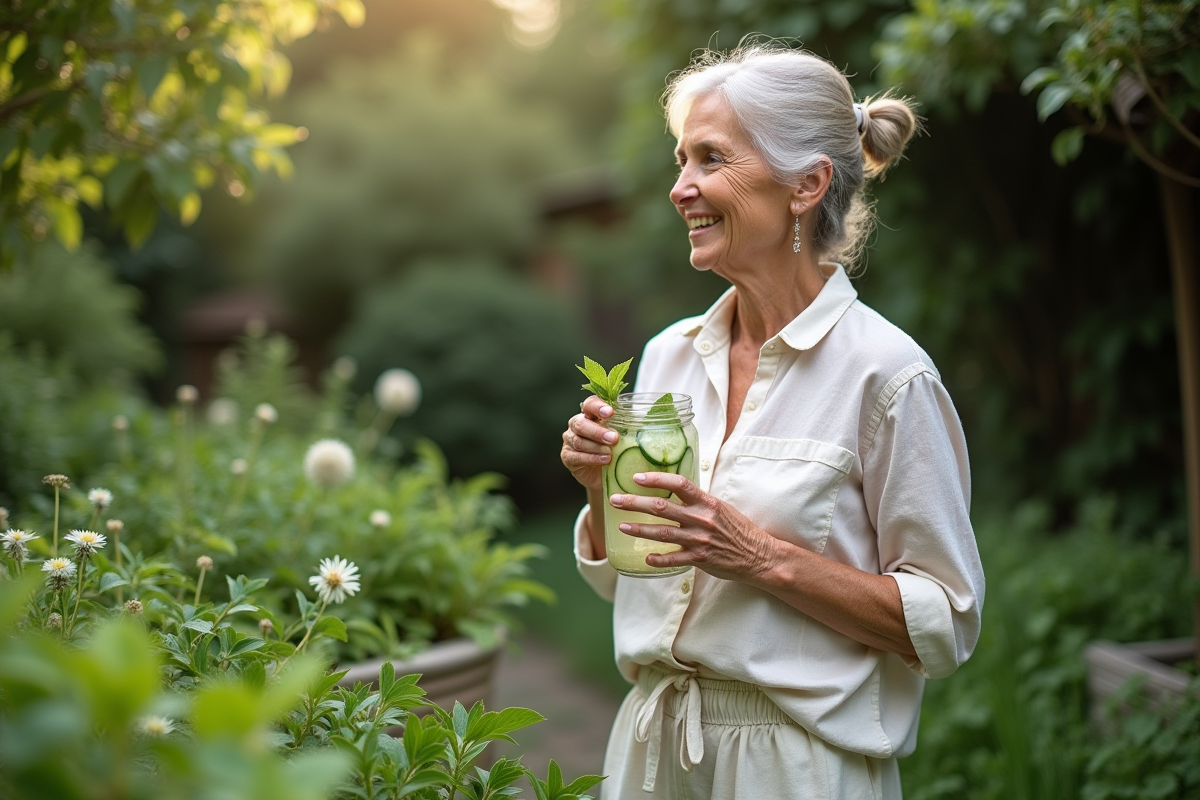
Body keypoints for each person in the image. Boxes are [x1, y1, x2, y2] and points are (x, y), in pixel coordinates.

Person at [559, 41, 985, 800]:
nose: (680, 188)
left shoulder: (888, 375)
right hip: (648, 754)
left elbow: (945, 622)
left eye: (710, 160)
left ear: (806, 185)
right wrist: (600, 490)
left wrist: (759, 555)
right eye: (680, 160)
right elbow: (637, 580)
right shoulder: (667, 358)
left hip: (796, 770)